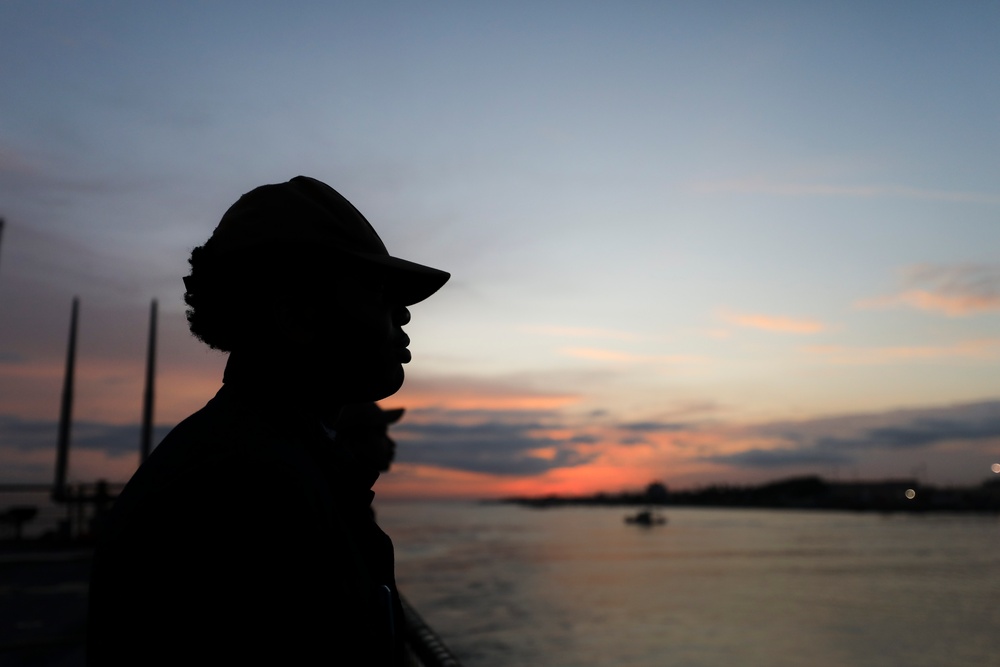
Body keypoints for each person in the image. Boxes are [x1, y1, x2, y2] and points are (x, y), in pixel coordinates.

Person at [87, 176, 448, 666]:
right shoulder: (246, 488)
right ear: (297, 318)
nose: (402, 314)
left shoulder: (264, 458)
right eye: (378, 288)